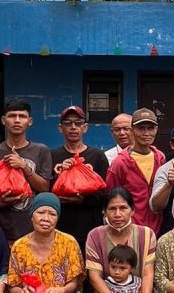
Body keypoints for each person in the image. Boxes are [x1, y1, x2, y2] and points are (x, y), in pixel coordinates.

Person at [0, 97, 53, 243]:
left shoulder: (41, 151)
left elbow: (44, 188)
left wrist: (23, 166)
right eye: (12, 116)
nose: (17, 120)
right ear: (3, 120)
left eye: (22, 116)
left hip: (31, 229)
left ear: (30, 121)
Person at [51, 105, 110, 251]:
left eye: (77, 123)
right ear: (60, 128)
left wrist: (83, 199)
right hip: (60, 226)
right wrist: (61, 175)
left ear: (85, 127)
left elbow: (105, 194)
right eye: (67, 123)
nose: (73, 127)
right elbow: (45, 189)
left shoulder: (97, 156)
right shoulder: (52, 156)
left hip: (90, 226)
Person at [6, 193, 84, 292]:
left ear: (57, 218)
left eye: (52, 214)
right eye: (41, 212)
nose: (46, 219)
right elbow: (13, 285)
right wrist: (22, 291)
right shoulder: (19, 246)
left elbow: (74, 282)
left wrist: (62, 290)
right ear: (31, 216)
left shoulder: (69, 243)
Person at [106, 108, 166, 234]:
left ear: (156, 130)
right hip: (130, 231)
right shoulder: (119, 163)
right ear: (132, 131)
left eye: (150, 128)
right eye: (141, 128)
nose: (146, 133)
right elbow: (110, 199)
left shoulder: (160, 158)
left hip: (158, 229)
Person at [85, 187, 156, 293]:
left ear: (132, 210)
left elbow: (147, 274)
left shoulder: (147, 234)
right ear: (104, 211)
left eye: (123, 208)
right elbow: (95, 276)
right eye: (112, 209)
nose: (117, 214)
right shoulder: (94, 236)